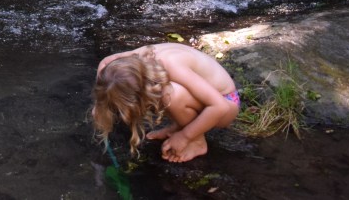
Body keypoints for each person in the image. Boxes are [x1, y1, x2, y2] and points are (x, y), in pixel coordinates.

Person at [92, 42, 240, 163]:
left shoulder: (172, 64)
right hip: (208, 102)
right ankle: (179, 126)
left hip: (227, 103)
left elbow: (219, 106)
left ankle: (197, 142)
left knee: (172, 95)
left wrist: (185, 136)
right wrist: (99, 104)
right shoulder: (136, 60)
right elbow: (105, 62)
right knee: (164, 92)